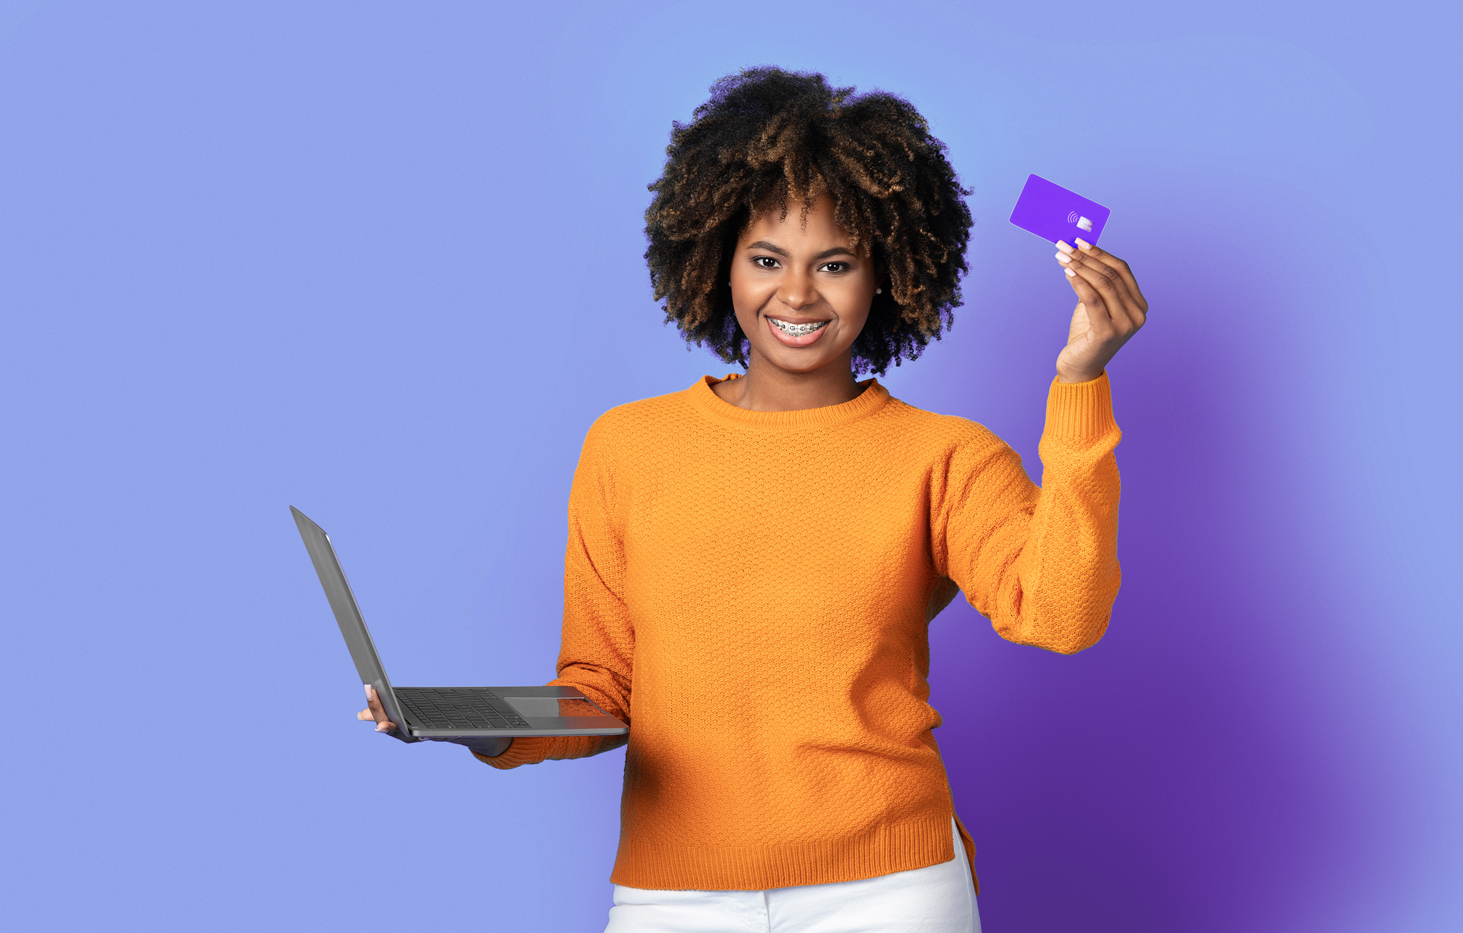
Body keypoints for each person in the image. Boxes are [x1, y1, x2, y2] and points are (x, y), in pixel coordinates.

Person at [359, 67, 1146, 933]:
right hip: (672, 895)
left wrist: (1079, 382)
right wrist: (478, 726)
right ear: (716, 261)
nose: (797, 295)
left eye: (834, 264)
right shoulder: (627, 447)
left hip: (888, 890)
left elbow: (1063, 614)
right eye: (766, 259)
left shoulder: (943, 457)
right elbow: (599, 688)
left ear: (883, 274)